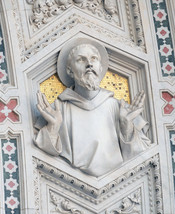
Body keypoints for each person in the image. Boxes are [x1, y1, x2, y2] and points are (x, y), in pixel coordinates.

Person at [34, 38, 151, 177]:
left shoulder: (119, 107)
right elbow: (41, 153)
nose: (89, 64)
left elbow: (143, 154)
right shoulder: (59, 110)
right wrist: (53, 128)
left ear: (100, 68)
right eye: (81, 60)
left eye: (93, 59)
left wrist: (127, 127)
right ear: (70, 71)